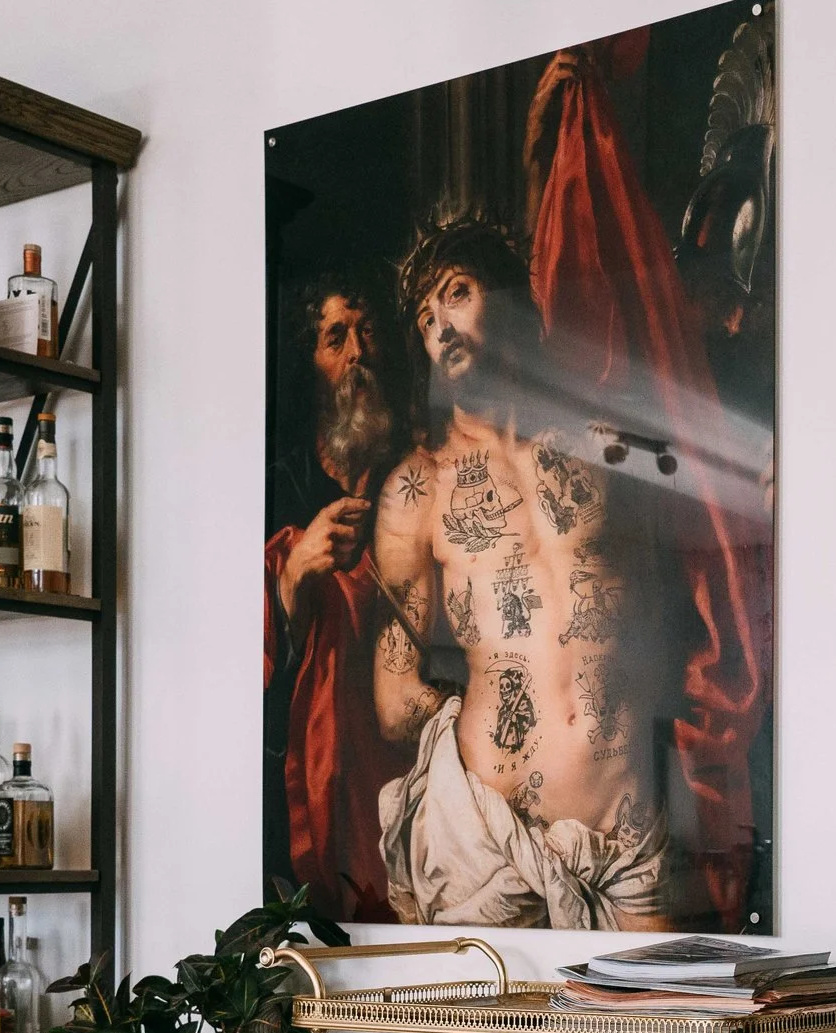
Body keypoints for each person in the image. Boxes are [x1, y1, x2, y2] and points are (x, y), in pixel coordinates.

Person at [371, 215, 679, 930]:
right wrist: (495, 709)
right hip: (488, 843)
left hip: (626, 842)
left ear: (509, 301)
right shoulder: (418, 490)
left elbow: (670, 605)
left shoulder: (606, 450)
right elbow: (393, 700)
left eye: (457, 293)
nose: (440, 325)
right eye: (424, 318)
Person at [262, 268, 416, 920]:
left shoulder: (418, 471)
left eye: (367, 332)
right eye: (335, 338)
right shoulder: (279, 480)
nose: (357, 353)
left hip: (400, 757)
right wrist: (296, 572)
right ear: (313, 362)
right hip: (307, 766)